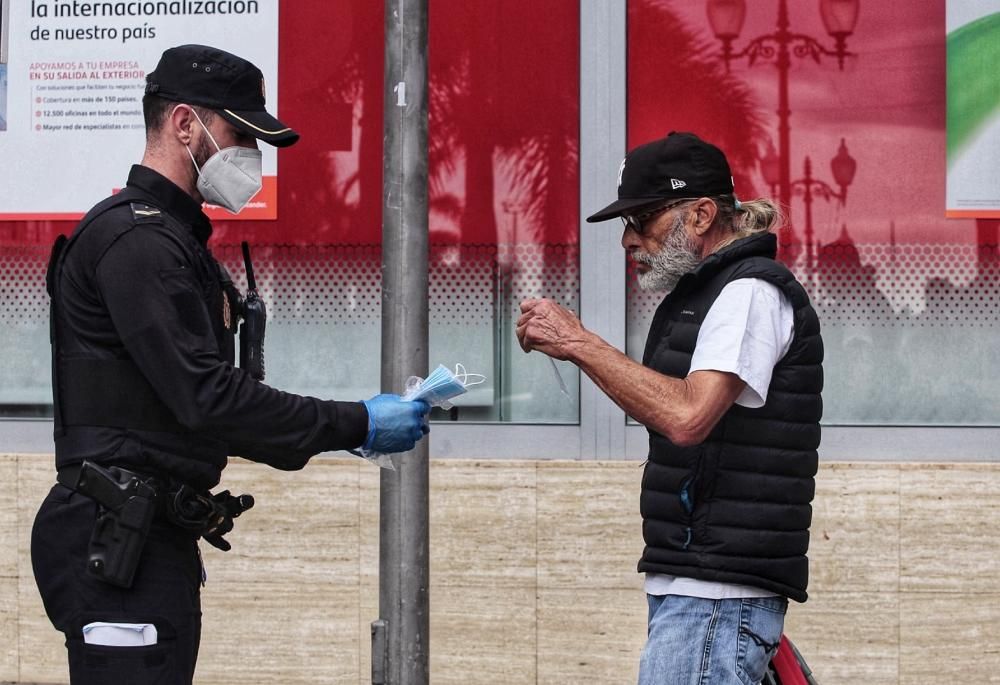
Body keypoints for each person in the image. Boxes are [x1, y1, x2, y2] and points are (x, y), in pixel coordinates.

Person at [32, 44, 430, 685]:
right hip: (117, 538)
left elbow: (207, 401)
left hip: (146, 536)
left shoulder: (171, 240)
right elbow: (207, 397)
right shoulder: (137, 241)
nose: (251, 155)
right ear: (184, 124)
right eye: (238, 133)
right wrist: (356, 423)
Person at [516, 131, 822, 685]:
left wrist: (578, 343)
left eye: (643, 220)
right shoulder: (703, 292)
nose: (628, 240)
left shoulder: (748, 293)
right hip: (697, 585)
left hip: (717, 594)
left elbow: (688, 417)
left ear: (702, 214)